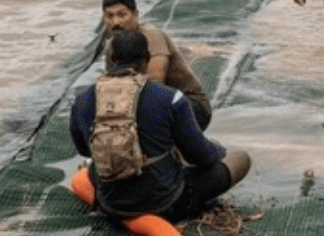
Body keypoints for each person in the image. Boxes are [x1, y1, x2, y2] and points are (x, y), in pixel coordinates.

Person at [69, 29, 250, 221]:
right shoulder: (169, 97)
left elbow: (85, 151)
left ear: (111, 57)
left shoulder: (82, 100)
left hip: (111, 204)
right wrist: (218, 151)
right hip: (166, 204)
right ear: (147, 58)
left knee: (93, 167)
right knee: (240, 158)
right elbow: (201, 156)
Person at [99, 0, 214, 130]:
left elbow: (156, 83)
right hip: (150, 102)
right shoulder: (111, 45)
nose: (116, 22)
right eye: (109, 16)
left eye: (122, 15)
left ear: (135, 15)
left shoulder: (152, 37)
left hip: (189, 105)